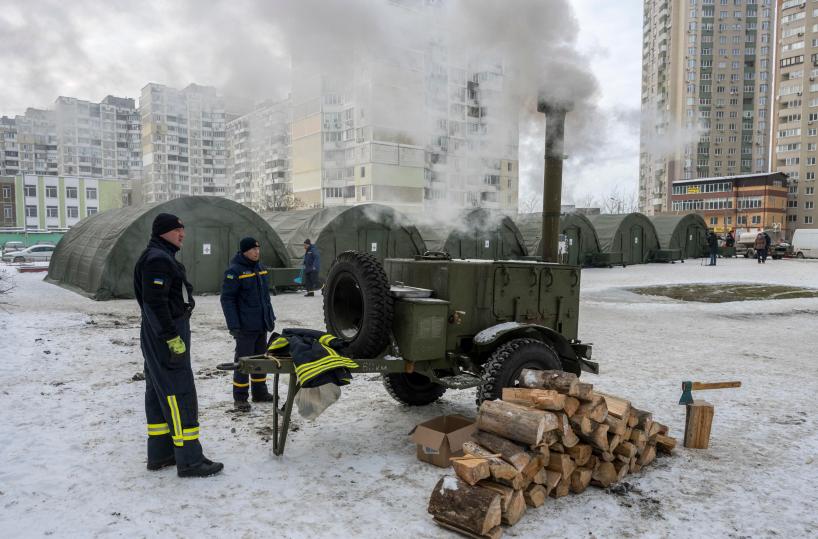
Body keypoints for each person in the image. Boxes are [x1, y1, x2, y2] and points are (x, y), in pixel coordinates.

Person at [133, 213, 223, 477]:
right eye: (177, 230)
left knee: (158, 390)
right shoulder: (157, 260)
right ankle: (190, 459)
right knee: (178, 392)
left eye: (183, 229)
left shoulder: (160, 256)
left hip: (159, 332)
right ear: (163, 232)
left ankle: (162, 452)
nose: (182, 234)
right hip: (166, 334)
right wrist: (171, 337)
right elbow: (155, 302)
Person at [220, 237, 276, 412]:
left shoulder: (260, 268)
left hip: (261, 323)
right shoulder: (234, 271)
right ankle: (240, 397)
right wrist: (233, 325)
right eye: (253, 249)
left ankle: (259, 393)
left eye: (258, 249)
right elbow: (227, 299)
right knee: (243, 362)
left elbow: (265, 298)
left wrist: (270, 317)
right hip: (245, 326)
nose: (257, 252)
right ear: (244, 251)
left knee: (260, 359)